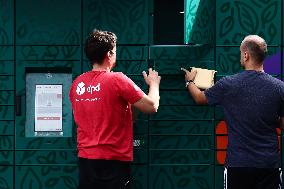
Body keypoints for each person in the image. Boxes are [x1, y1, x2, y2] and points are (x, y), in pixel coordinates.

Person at [181, 35, 284, 189]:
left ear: (246, 55)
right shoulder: (279, 87)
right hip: (268, 165)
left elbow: (200, 98)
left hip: (238, 164)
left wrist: (189, 81)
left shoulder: (228, 85)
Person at [69, 29, 161, 189]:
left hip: (86, 163)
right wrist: (154, 84)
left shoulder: (77, 84)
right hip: (114, 162)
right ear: (110, 54)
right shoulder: (117, 80)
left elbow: (82, 116)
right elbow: (152, 106)